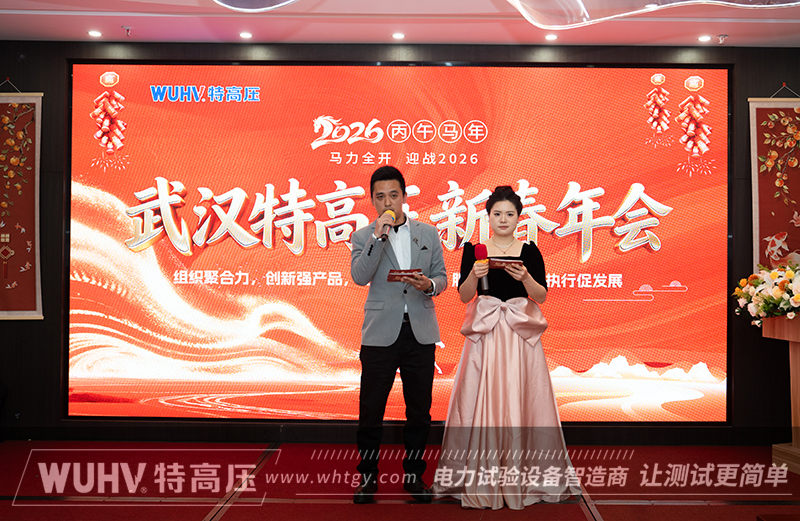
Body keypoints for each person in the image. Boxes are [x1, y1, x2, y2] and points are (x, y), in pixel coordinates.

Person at [432, 185, 579, 509]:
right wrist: (474, 273)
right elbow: (464, 295)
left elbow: (540, 296)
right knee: (476, 398)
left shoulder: (529, 251)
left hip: (519, 338)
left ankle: (525, 477)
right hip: (485, 336)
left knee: (525, 398)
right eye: (497, 213)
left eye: (509, 214)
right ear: (488, 216)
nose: (503, 219)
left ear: (518, 217)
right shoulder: (475, 250)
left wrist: (525, 277)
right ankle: (477, 478)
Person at [350, 165, 447, 504]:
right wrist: (378, 238)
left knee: (419, 411)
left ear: (404, 197)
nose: (388, 202)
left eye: (394, 195)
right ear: (372, 200)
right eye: (380, 197)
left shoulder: (428, 233)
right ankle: (367, 478)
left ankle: (414, 476)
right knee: (371, 410)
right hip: (380, 333)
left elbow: (442, 277)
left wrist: (428, 284)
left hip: (420, 331)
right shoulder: (364, 236)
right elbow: (360, 276)